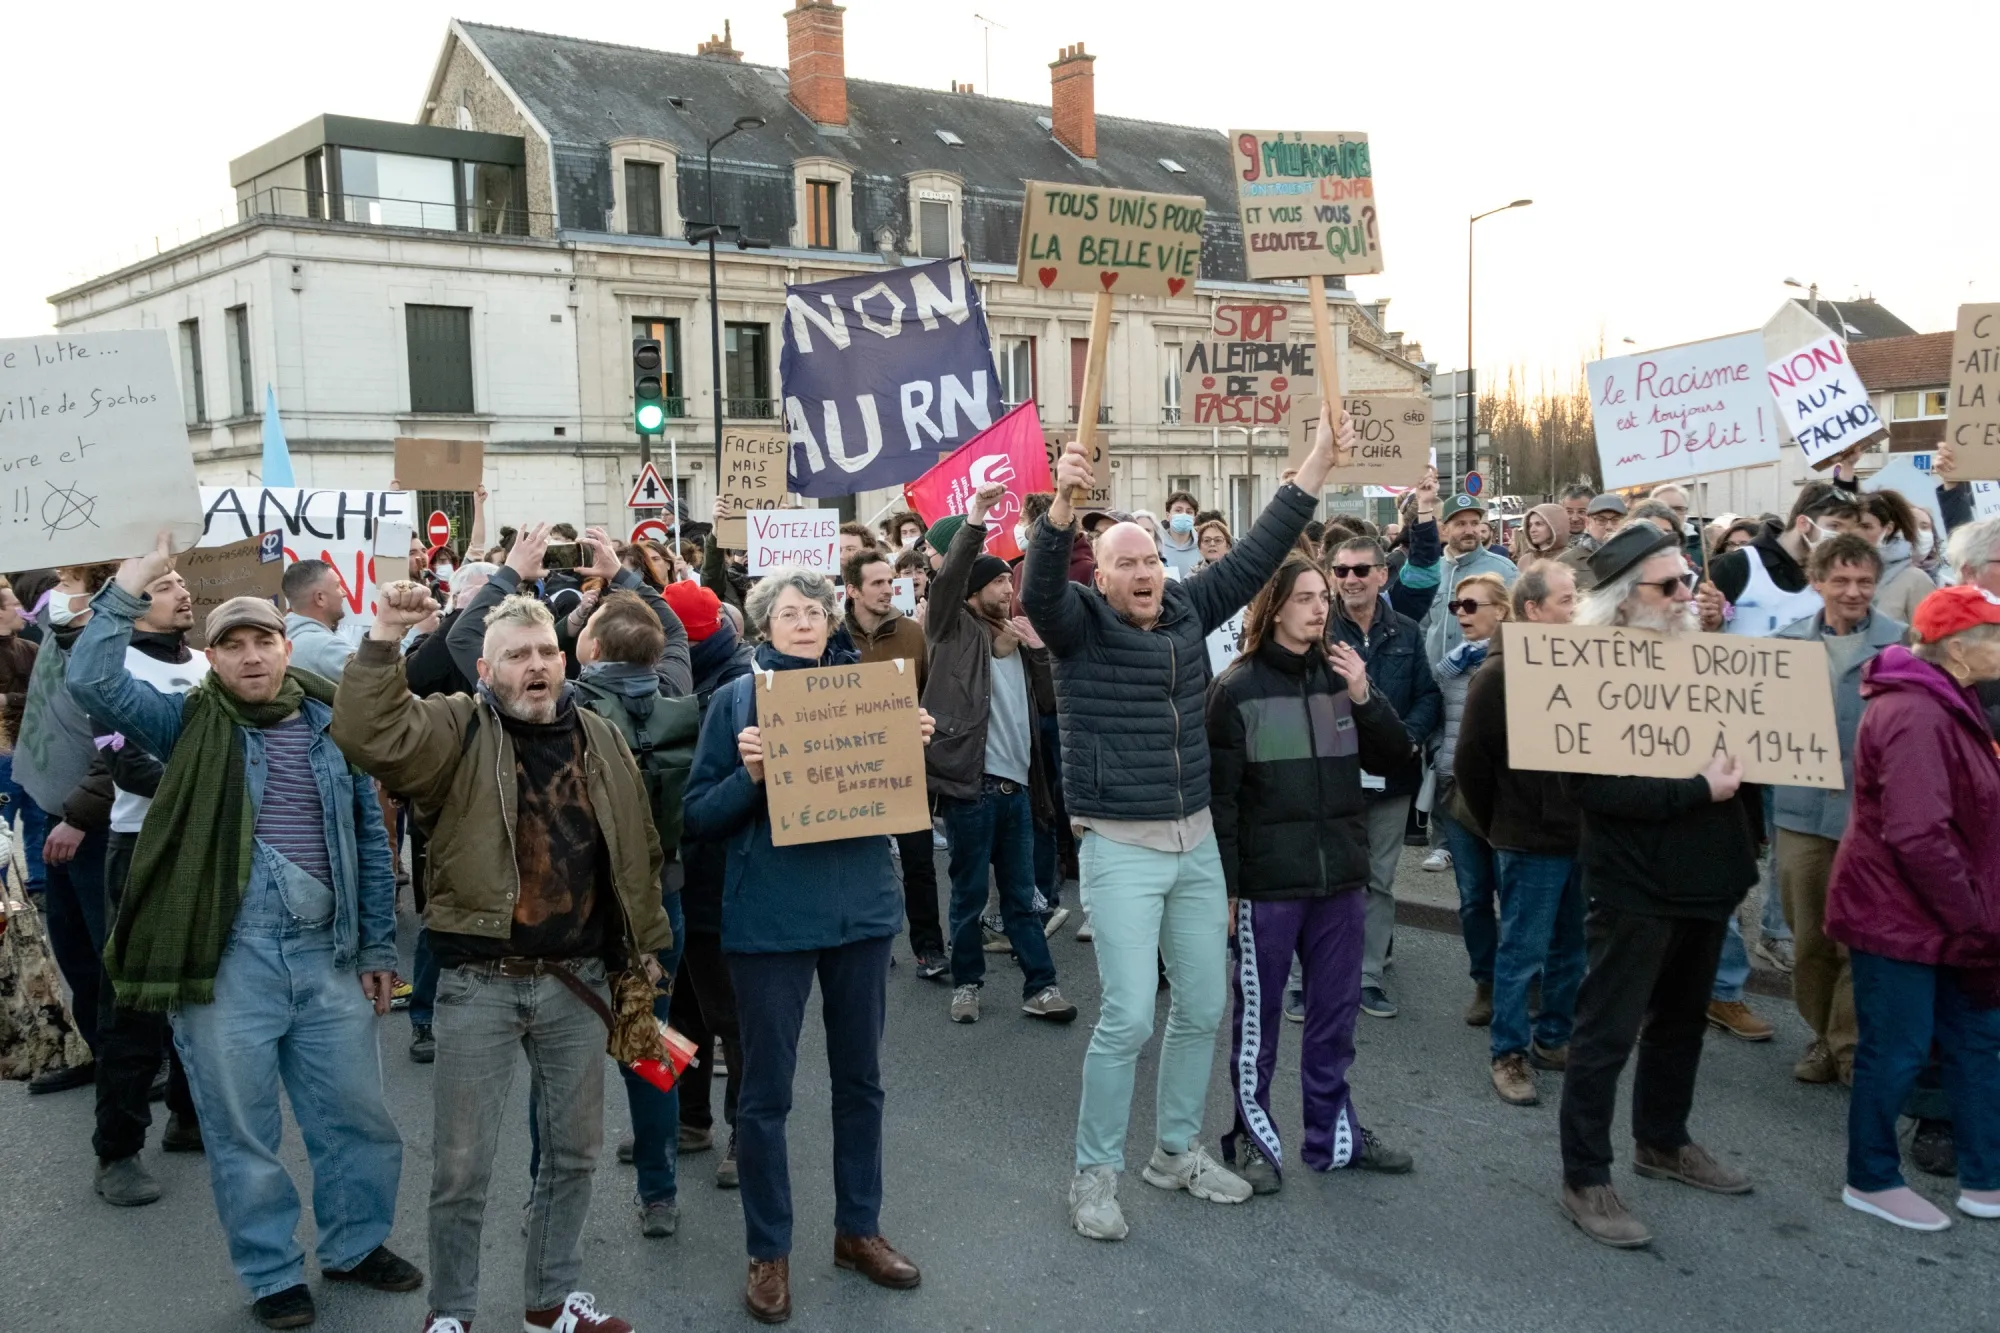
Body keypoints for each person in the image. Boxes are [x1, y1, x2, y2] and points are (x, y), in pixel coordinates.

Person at [1024, 401, 1358, 1243]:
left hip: (1195, 842)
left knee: (1204, 1003)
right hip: (1121, 848)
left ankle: (1173, 1150)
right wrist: (1060, 507)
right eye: (1124, 562)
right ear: (1098, 576)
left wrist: (1316, 461)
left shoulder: (1185, 610)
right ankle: (1094, 1173)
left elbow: (1257, 553)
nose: (1142, 572)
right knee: (1130, 1013)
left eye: (1150, 560)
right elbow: (1037, 587)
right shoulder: (1077, 629)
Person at [70, 546, 416, 1331]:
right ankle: (271, 1272)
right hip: (231, 959)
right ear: (211, 658)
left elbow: (368, 834)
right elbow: (93, 678)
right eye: (232, 643)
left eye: (263, 640)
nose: (251, 654)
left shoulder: (333, 720)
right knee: (242, 1129)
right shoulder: (187, 719)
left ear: (287, 645)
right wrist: (126, 589)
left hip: (327, 952)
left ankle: (356, 1244)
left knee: (357, 1115)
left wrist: (375, 950)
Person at [335, 566, 669, 1333]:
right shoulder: (456, 728)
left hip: (578, 979)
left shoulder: (603, 735)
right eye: (516, 655)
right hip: (479, 984)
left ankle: (550, 1303)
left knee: (575, 1156)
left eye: (546, 651)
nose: (536, 667)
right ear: (485, 671)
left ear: (567, 657)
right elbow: (370, 732)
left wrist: (645, 949)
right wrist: (384, 638)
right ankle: (450, 1313)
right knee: (462, 1168)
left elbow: (638, 847)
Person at [683, 566, 931, 1325]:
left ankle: (858, 1228)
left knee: (862, 1082)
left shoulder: (873, 690)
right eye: (788, 612)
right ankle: (769, 1250)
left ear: (832, 620)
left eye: (815, 610)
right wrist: (753, 775)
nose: (803, 621)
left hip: (858, 913)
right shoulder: (735, 700)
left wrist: (910, 742)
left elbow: (899, 793)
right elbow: (698, 814)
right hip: (770, 920)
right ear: (765, 625)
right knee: (766, 1095)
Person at [1556, 524, 1761, 1250]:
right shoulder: (1588, 672)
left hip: (1710, 876)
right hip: (1635, 883)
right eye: (1668, 586)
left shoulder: (1709, 660)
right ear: (1622, 602)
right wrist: (1696, 788)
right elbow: (1594, 785)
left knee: (1681, 1022)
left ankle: (1663, 1140)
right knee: (1606, 1032)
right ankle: (1585, 1174)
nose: (1686, 595)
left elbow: (1752, 756)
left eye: (1687, 580)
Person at [1208, 555, 1415, 1193]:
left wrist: (1365, 696)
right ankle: (1250, 1139)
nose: (1320, 607)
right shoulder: (1237, 689)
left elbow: (1399, 762)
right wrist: (1231, 890)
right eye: (1304, 598)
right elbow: (1223, 802)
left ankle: (1333, 1139)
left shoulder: (1341, 678)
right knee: (1259, 1023)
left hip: (1340, 882)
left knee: (1334, 1018)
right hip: (1269, 888)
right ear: (1274, 607)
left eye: (1322, 597)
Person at [1825, 584, 2000, 1231]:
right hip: (1900, 916)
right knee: (1896, 1050)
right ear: (1960, 647)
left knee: (1975, 1039)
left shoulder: (1950, 701)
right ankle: (1870, 1177)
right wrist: (1975, 917)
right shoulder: (1917, 712)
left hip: (1944, 912)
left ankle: (1986, 1176)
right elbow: (1918, 833)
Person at [82, 557, 208, 1207]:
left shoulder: (208, 665)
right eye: (163, 585)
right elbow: (128, 766)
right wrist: (209, 790)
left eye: (182, 583)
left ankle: (190, 1117)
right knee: (133, 1006)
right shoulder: (111, 672)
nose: (182, 591)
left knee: (202, 987)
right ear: (131, 601)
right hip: (142, 848)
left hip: (206, 844)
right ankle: (118, 1150)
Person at [926, 482, 1076, 1025]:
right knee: (968, 897)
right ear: (974, 590)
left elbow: (1049, 706)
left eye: (1010, 578)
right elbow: (945, 583)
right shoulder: (952, 628)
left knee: (1022, 898)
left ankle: (1042, 986)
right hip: (971, 788)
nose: (1008, 586)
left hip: (1017, 789)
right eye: (998, 580)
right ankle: (966, 984)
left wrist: (1036, 652)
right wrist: (976, 519)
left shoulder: (1019, 631)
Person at [1771, 535, 1903, 1087]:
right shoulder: (1782, 646)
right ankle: (1821, 1033)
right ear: (1817, 581)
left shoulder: (1903, 649)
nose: (1854, 592)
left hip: (1869, 818)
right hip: (1801, 815)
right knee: (1808, 941)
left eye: (1865, 582)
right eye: (1841, 581)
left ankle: (1848, 1046)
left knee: (1862, 940)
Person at [1456, 560, 1589, 1107]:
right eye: (1564, 599)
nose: (1576, 607)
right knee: (1522, 950)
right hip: (1527, 838)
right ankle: (1508, 1054)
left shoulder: (1584, 663)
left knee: (1572, 948)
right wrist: (1502, 826)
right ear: (1532, 610)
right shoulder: (1497, 675)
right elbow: (1471, 766)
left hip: (1579, 834)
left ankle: (1554, 1038)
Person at [15, 562, 122, 1094]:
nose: (52, 596)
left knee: (109, 951)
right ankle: (100, 1051)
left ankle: (137, 1059)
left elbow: (122, 747)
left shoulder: (109, 650)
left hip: (92, 826)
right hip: (61, 814)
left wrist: (79, 817)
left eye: (65, 586)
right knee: (75, 948)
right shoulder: (61, 638)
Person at [1326, 536, 1442, 1020]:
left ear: (1381, 575)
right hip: (1333, 777)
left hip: (1391, 778)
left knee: (1379, 880)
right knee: (1328, 878)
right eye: (1341, 571)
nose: (1350, 579)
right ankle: (1317, 971)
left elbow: (1428, 696)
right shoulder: (1318, 631)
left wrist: (1408, 738)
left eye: (1359, 570)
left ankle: (1369, 974)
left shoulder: (1409, 632)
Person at [660, 580, 752, 1190]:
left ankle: (747, 1131)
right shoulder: (689, 678)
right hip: (672, 878)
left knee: (733, 1017)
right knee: (671, 1012)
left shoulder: (736, 691)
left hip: (717, 876)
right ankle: (682, 1119)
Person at [837, 547, 943, 977]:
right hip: (849, 770)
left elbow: (925, 691)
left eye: (890, 581)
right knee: (860, 860)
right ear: (852, 590)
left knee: (918, 861)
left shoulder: (912, 634)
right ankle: (870, 943)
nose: (888, 589)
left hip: (904, 766)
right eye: (878, 583)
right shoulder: (832, 636)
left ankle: (929, 948)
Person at [1432, 573, 1510, 1026]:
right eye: (1457, 606)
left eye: (1471, 605)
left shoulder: (1523, 661)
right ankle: (1486, 981)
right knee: (1474, 897)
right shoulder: (1453, 664)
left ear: (1501, 610)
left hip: (1505, 800)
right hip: (1456, 791)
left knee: (1513, 894)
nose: (1461, 613)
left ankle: (1527, 979)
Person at [1699, 482, 1861, 636]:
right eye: (1835, 526)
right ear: (1804, 523)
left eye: (1849, 531)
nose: (1843, 537)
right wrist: (1713, 623)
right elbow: (1696, 637)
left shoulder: (1834, 578)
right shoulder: (1732, 565)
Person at [1409, 493, 1518, 666]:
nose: (1469, 531)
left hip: (1481, 681)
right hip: (1434, 682)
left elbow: (1516, 628)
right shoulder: (1432, 570)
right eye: (1460, 524)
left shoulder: (1505, 570)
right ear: (1445, 529)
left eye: (1474, 523)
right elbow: (1421, 628)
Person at [1856, 490, 1936, 626]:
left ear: (1887, 529)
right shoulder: (1830, 575)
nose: (1857, 533)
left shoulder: (1915, 580)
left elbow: (1930, 641)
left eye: (1866, 526)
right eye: (1852, 526)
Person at [280, 559, 358, 680]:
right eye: (337, 586)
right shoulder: (324, 647)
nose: (344, 593)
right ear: (320, 598)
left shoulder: (284, 638)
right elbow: (387, 678)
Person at [1158, 489, 1203, 578]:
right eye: (1178, 510)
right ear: (1168, 515)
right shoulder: (1156, 545)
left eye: (1189, 512)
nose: (1183, 515)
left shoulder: (1203, 546)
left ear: (1194, 518)